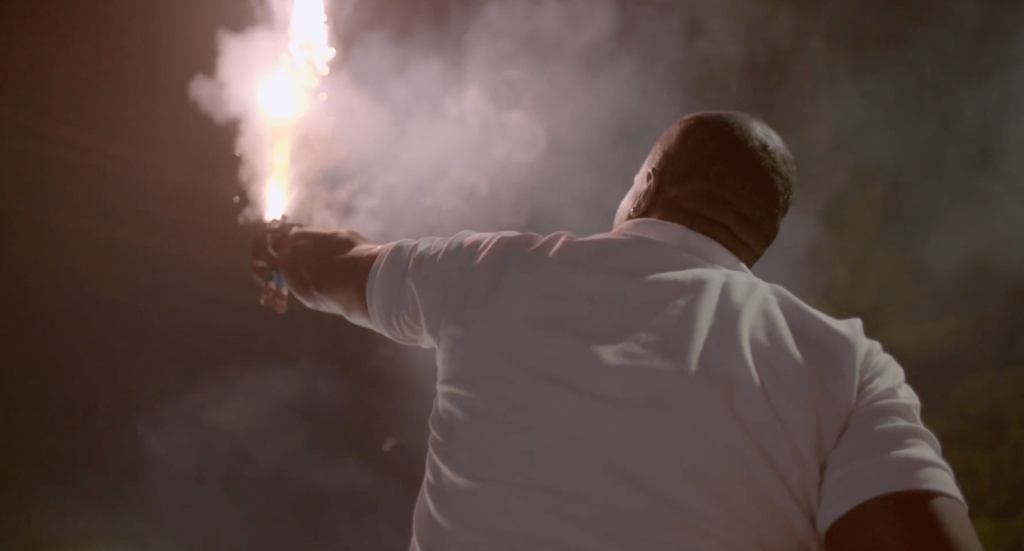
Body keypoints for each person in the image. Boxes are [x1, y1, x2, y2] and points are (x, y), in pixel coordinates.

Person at [252, 111, 982, 551]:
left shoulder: (490, 272)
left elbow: (334, 266)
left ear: (646, 188)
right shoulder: (846, 365)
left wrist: (277, 249)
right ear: (757, 240)